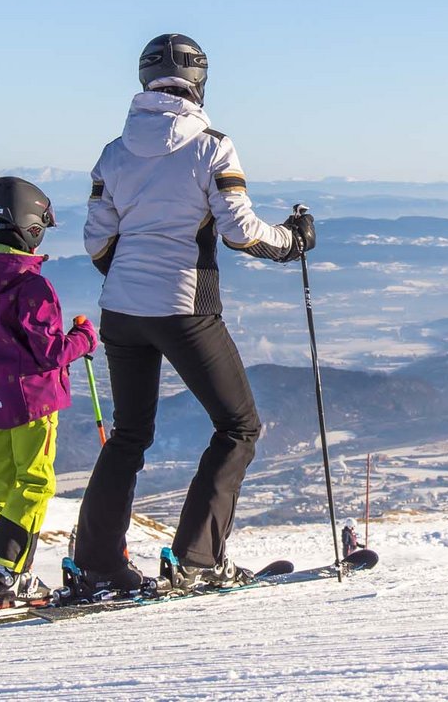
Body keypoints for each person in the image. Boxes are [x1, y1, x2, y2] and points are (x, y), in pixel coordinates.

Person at [74, 33, 316, 594]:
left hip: (121, 312)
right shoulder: (213, 146)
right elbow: (238, 232)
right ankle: (198, 560)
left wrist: (129, 273)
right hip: (184, 306)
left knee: (129, 435)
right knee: (239, 427)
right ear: (199, 83)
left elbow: (95, 242)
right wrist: (292, 242)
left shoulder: (113, 153)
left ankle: (96, 563)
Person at [0, 177, 98, 613]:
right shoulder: (32, 286)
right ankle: (9, 571)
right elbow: (50, 353)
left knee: (0, 482)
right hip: (35, 401)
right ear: (32, 228)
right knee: (35, 482)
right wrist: (84, 337)